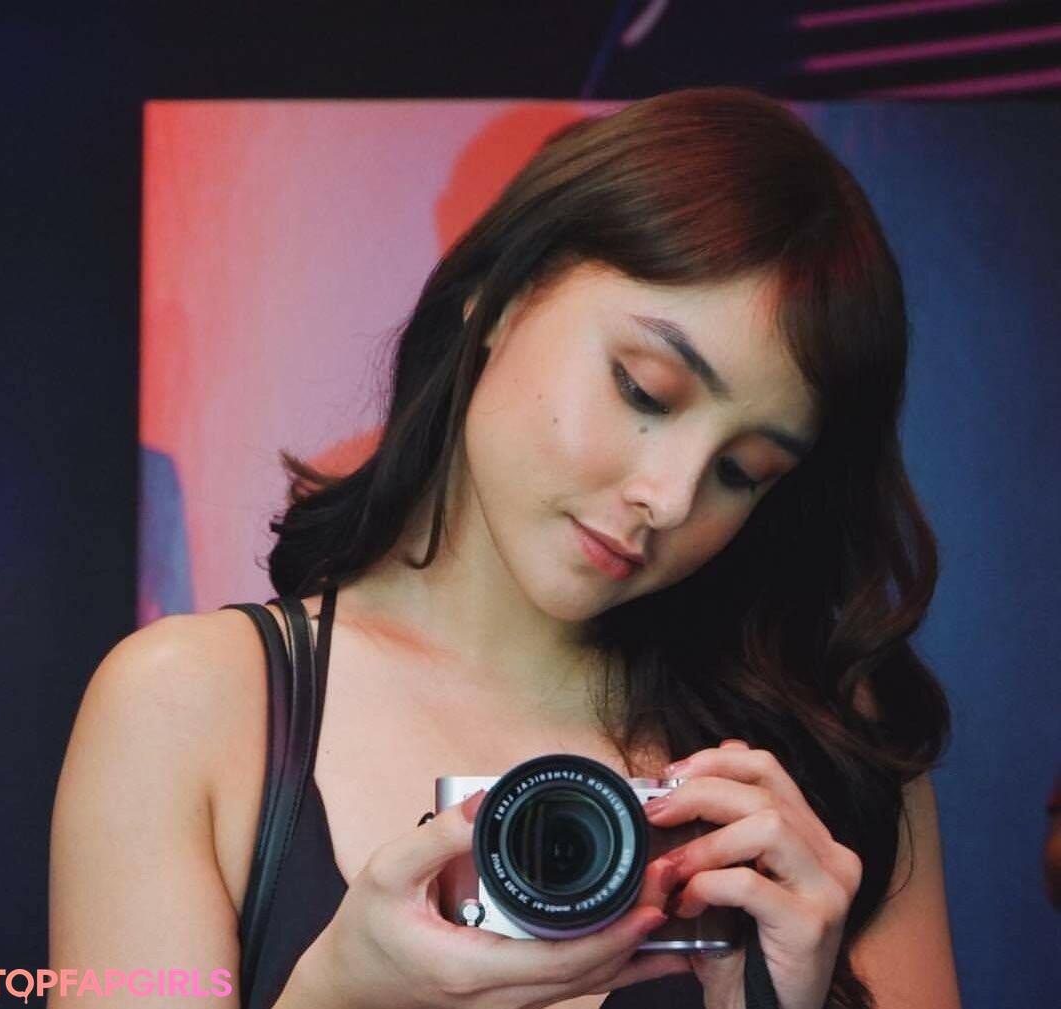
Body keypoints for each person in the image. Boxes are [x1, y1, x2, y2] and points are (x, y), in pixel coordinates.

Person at [49, 88, 961, 1009]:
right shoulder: (190, 706)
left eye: (743, 470)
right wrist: (337, 994)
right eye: (645, 390)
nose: (670, 496)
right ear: (500, 295)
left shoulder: (833, 747)